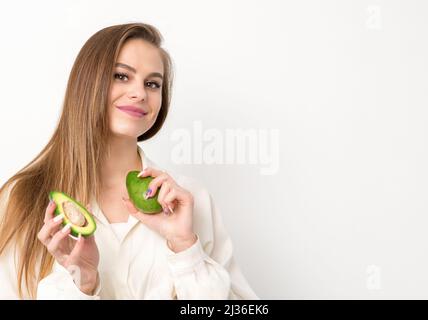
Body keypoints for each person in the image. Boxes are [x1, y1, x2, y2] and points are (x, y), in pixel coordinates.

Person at [0, 22, 258, 300]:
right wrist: (81, 283)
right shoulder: (21, 198)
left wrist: (185, 248)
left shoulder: (190, 199)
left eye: (152, 83)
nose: (140, 93)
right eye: (122, 76)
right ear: (87, 83)